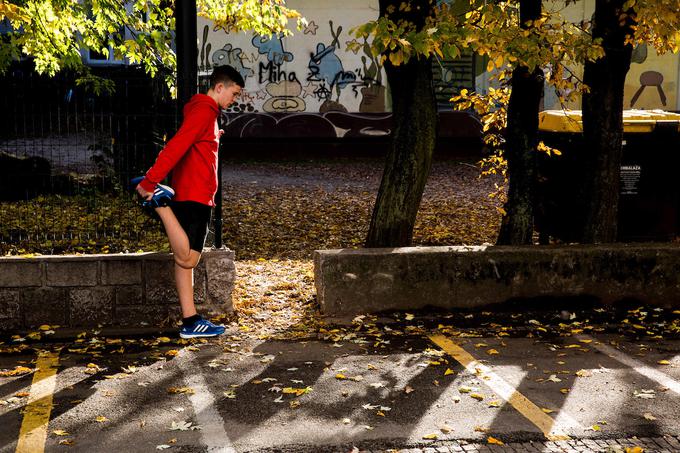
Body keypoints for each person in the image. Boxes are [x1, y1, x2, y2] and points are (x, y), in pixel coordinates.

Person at [133, 65, 244, 339]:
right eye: (234, 93)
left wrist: (214, 136)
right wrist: (149, 182)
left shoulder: (205, 113)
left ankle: (190, 320)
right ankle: (160, 203)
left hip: (191, 191)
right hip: (195, 195)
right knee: (189, 257)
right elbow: (177, 146)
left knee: (182, 262)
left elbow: (192, 143)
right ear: (219, 87)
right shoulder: (205, 111)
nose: (234, 100)